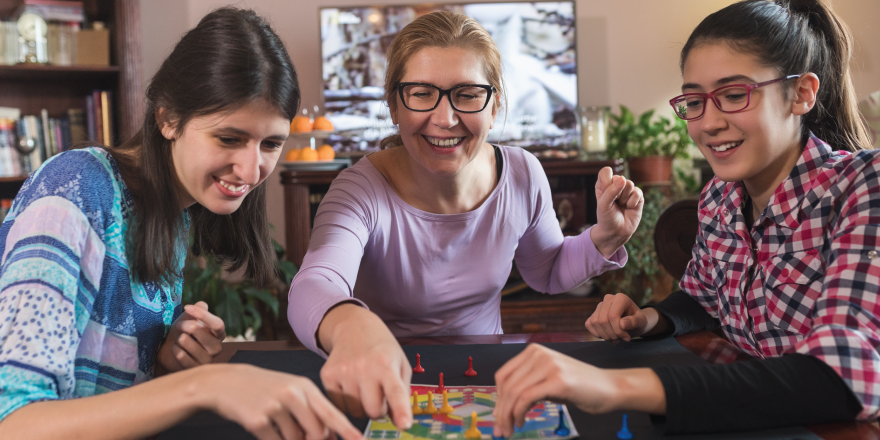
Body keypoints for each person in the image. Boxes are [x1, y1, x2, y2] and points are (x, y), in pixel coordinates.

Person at [493, 0, 877, 434]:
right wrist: (647, 318)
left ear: (802, 93)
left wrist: (614, 386)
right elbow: (701, 298)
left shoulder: (864, 185)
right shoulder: (719, 196)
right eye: (694, 101)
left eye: (734, 95)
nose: (707, 123)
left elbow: (842, 378)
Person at [0, 8, 362, 440]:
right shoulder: (75, 190)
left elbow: (110, 386)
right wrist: (200, 386)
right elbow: (14, 423)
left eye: (270, 144)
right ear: (167, 118)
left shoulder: (174, 214)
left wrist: (165, 359)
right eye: (229, 138)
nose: (251, 171)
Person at [286, 10, 643, 429]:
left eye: (468, 94)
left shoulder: (524, 173)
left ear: (494, 106)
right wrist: (349, 327)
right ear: (394, 106)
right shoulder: (358, 190)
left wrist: (603, 237)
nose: (445, 118)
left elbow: (546, 271)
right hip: (385, 387)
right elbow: (314, 283)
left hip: (486, 380)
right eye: (421, 93)